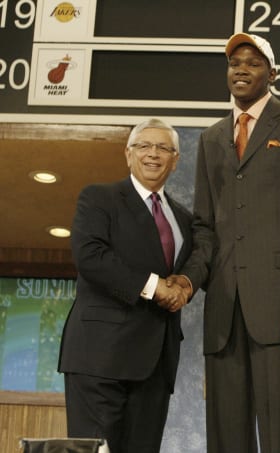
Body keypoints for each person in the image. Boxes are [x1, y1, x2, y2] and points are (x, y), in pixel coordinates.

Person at [170, 33, 280, 452]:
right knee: (225, 437)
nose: (241, 69)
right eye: (234, 63)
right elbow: (205, 228)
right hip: (224, 311)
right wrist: (188, 281)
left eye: (253, 63)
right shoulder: (211, 138)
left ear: (272, 74)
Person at [58, 118, 193, 453]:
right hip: (99, 358)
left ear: (175, 160)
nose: (153, 154)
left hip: (156, 365)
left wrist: (185, 286)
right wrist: (153, 286)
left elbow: (191, 268)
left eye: (163, 148)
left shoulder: (183, 218)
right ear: (128, 154)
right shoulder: (99, 198)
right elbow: (90, 257)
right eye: (144, 146)